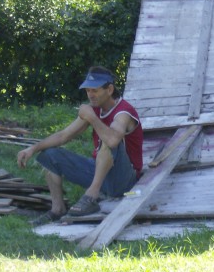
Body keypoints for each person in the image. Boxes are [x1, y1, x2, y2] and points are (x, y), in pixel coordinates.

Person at [17, 66, 143, 224]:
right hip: (102, 173)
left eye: (95, 90)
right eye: (88, 90)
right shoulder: (95, 110)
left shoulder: (123, 112)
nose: (90, 95)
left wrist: (92, 118)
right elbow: (63, 135)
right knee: (49, 155)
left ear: (110, 89)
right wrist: (33, 148)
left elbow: (112, 141)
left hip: (125, 181)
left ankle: (91, 196)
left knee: (109, 142)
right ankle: (57, 209)